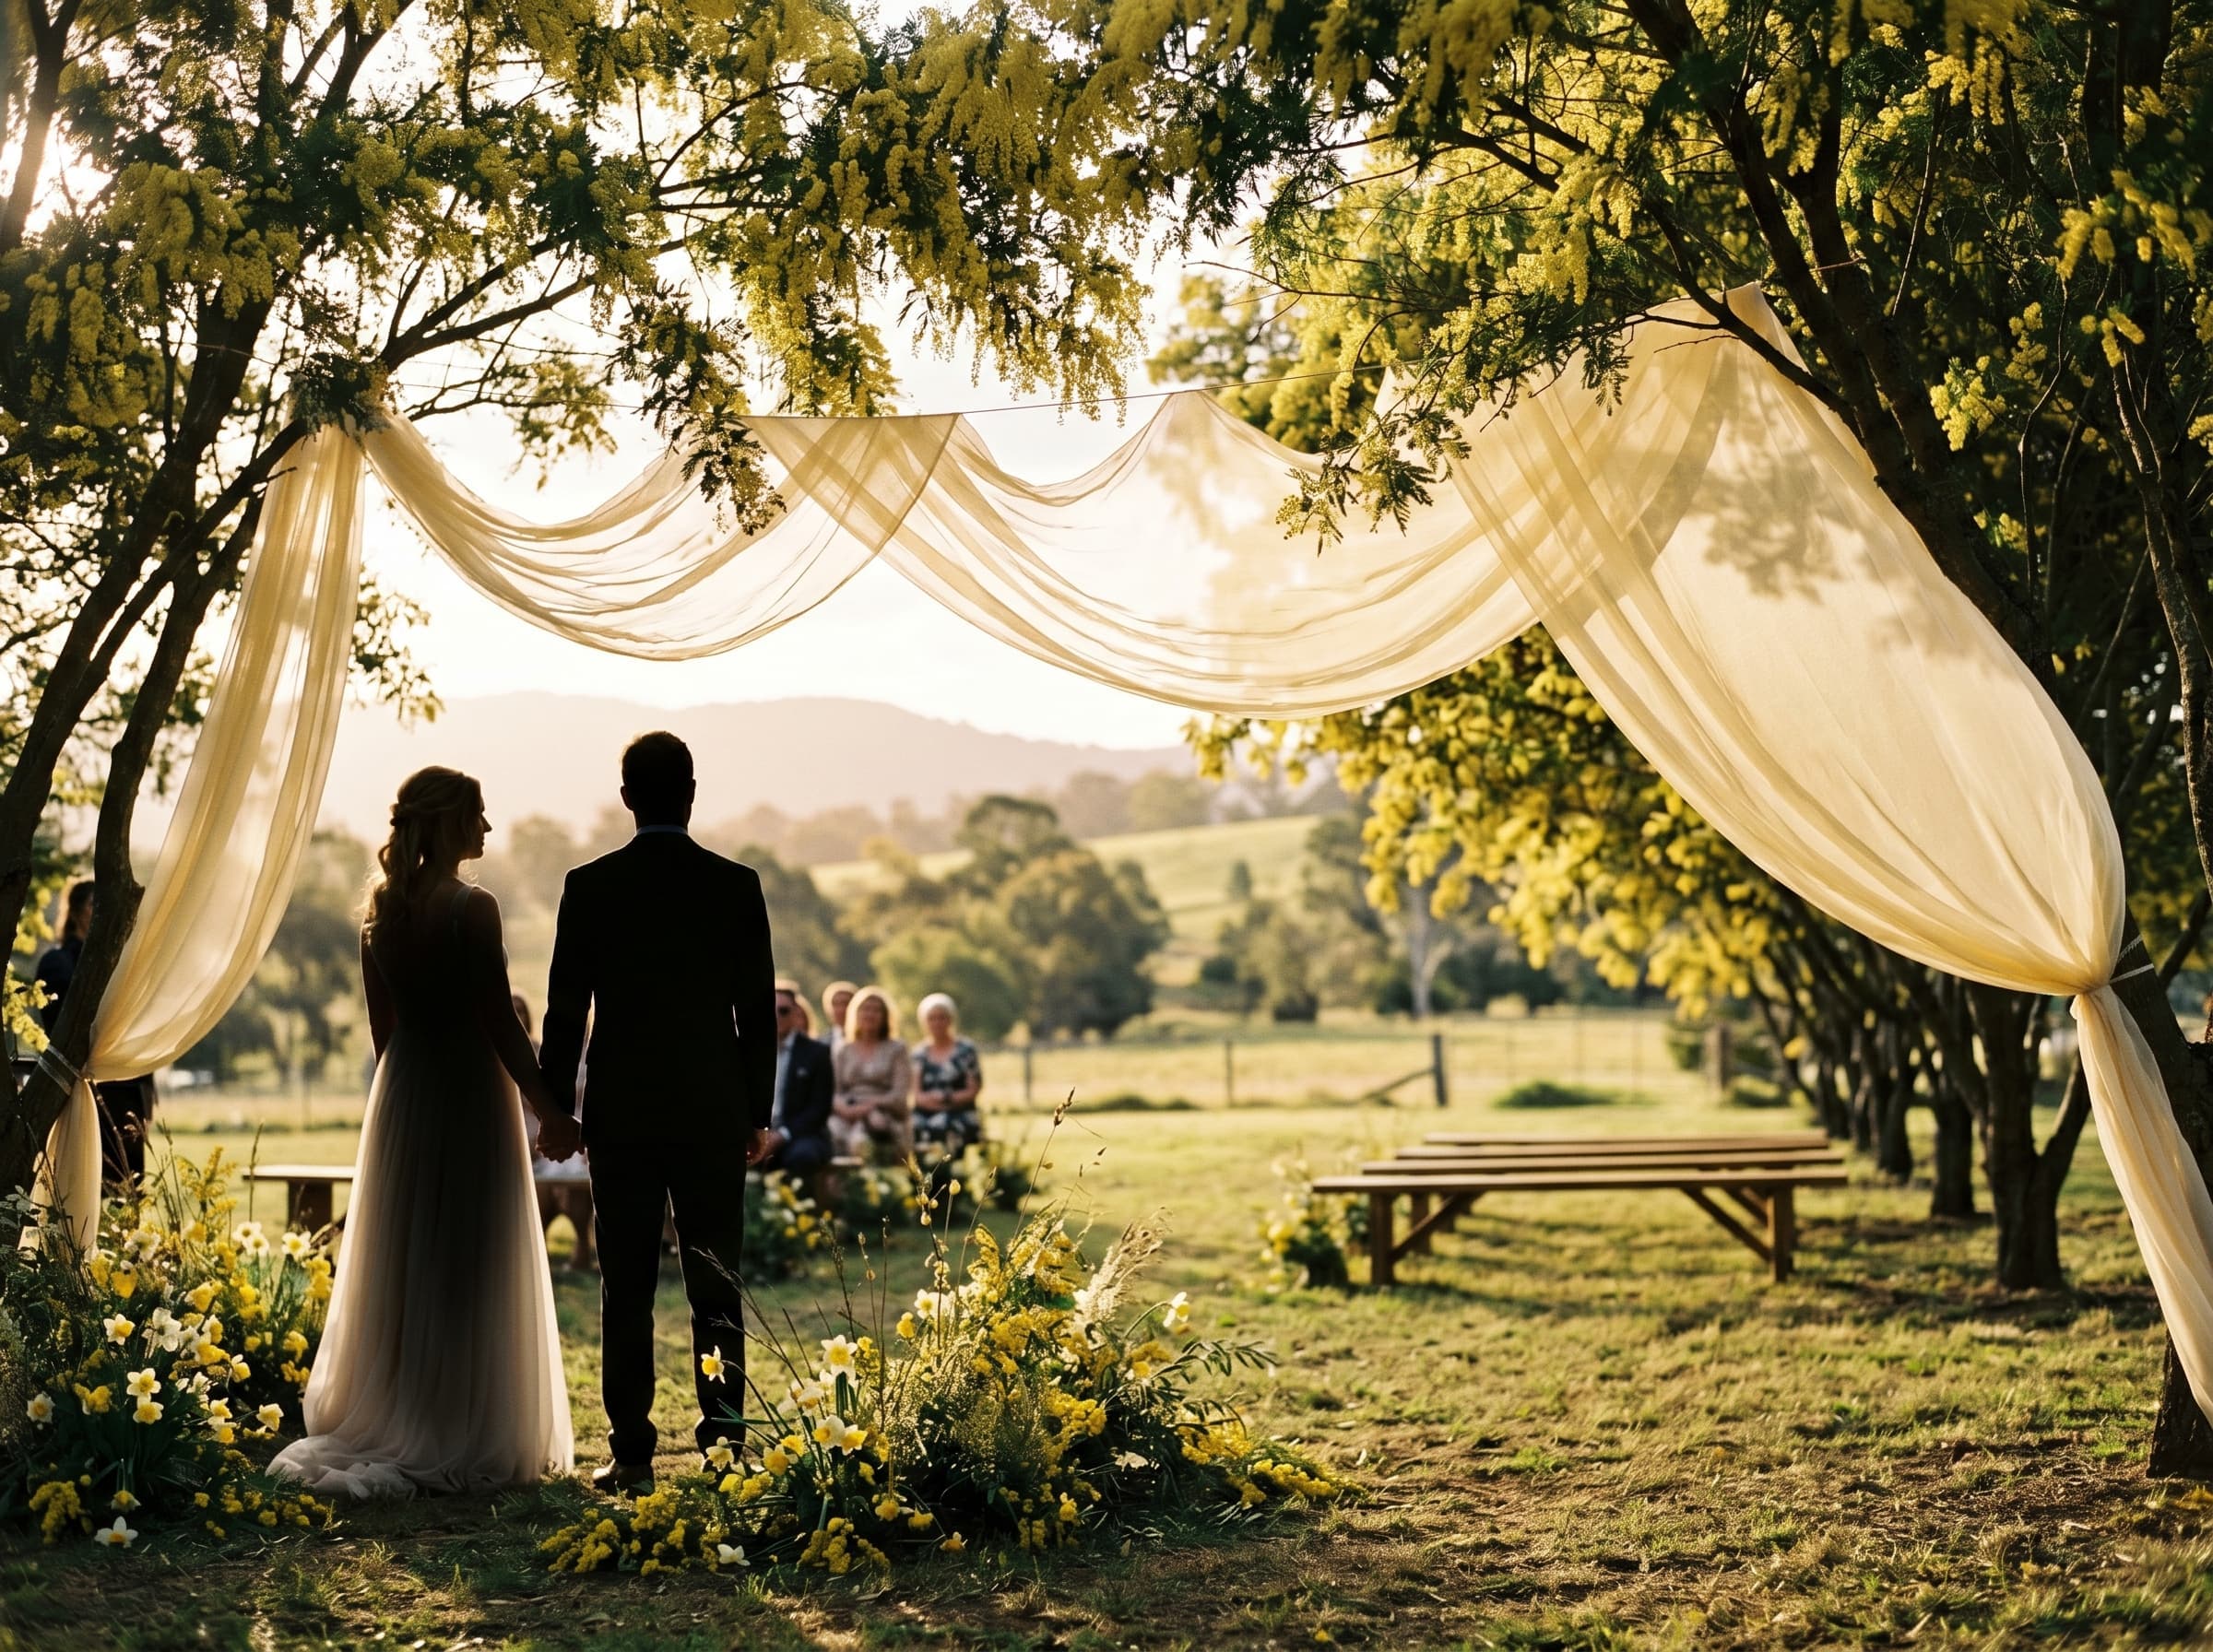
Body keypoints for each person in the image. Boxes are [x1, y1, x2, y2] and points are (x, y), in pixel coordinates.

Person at [270, 768, 574, 1498]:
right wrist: (548, 1110)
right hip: (469, 1089)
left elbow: (385, 1029)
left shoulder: (379, 909)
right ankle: (458, 1423)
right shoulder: (474, 908)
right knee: (469, 1254)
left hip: (405, 1090)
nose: (488, 829)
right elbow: (499, 1019)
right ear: (446, 823)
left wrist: (406, 1098)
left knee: (410, 1253)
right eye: (478, 813)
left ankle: (408, 1406)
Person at [538, 732, 777, 1493]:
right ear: (692, 792)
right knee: (715, 1283)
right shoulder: (735, 885)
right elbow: (758, 1015)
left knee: (626, 1288)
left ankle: (633, 1455)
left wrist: (554, 1110)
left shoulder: (590, 885)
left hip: (624, 1114)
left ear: (627, 798)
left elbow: (564, 1012)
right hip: (712, 1110)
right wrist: (758, 1112)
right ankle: (723, 1447)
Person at [33, 879, 158, 1189]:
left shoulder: (123, 965)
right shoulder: (57, 963)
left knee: (127, 1191)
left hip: (127, 1091)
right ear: (76, 914)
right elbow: (66, 1025)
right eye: (94, 906)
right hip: (88, 1091)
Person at [518, 991, 593, 1271]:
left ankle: (581, 1248)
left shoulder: (591, 1051)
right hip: (542, 1133)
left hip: (574, 1130)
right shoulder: (543, 1054)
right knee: (549, 1175)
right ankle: (541, 1251)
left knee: (572, 1175)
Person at [761, 978, 834, 1178]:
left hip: (800, 1135)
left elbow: (819, 1108)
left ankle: (801, 1210)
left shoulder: (816, 1053)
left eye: (783, 1011)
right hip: (759, 1134)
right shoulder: (751, 1052)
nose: (777, 1016)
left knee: (803, 1156)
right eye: (771, 1009)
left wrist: (782, 1135)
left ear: (796, 1013)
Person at [831, 986, 911, 1162]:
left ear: (885, 1016)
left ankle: (875, 1185)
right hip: (848, 1113)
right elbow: (833, 1091)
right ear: (855, 1014)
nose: (870, 1015)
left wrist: (869, 1107)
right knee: (830, 1131)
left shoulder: (897, 1049)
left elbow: (899, 1096)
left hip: (886, 1113)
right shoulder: (843, 1049)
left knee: (865, 1140)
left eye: (876, 1010)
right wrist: (846, 1109)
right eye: (865, 1009)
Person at [910, 992, 984, 1163]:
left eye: (942, 1017)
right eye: (932, 1018)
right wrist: (933, 1104)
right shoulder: (919, 1054)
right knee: (910, 1126)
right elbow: (917, 1095)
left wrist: (945, 1098)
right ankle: (920, 1175)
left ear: (951, 1019)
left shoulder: (965, 1050)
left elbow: (973, 1089)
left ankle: (950, 1175)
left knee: (943, 1125)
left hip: (960, 1111)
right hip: (925, 1112)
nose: (937, 1023)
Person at [820, 981, 857, 1055]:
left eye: (845, 1003)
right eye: (835, 1004)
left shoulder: (870, 1040)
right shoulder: (821, 1042)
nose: (840, 1009)